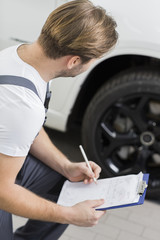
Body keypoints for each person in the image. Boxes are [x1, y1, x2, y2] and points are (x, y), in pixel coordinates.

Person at [0, 0, 118, 239]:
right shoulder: (21, 105)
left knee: (65, 187)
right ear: (74, 61)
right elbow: (3, 192)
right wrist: (69, 214)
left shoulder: (24, 57)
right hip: (2, 182)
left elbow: (27, 130)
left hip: (6, 158)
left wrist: (66, 167)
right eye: (94, 58)